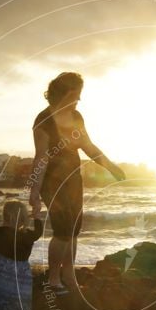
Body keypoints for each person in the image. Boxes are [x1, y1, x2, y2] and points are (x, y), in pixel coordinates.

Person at [28, 72, 126, 295]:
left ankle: (68, 276)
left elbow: (88, 147)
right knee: (62, 229)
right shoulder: (43, 122)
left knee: (73, 230)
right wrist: (34, 191)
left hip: (72, 179)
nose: (79, 100)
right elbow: (41, 159)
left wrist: (111, 167)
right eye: (77, 95)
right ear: (65, 94)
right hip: (52, 183)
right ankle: (53, 280)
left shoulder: (77, 117)